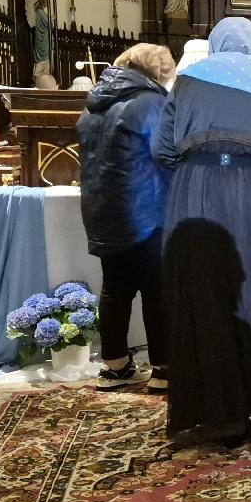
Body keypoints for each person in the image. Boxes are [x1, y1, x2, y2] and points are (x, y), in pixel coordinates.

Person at [155, 17, 251, 447]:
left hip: (197, 195)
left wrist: (198, 171)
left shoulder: (188, 82)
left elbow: (162, 149)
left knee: (205, 299)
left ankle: (216, 413)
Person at [76, 44, 175, 392]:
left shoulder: (93, 104)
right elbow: (166, 155)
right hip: (146, 211)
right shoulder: (152, 103)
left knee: (115, 288)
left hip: (102, 210)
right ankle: (164, 370)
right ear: (158, 71)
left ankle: (115, 367)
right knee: (157, 291)